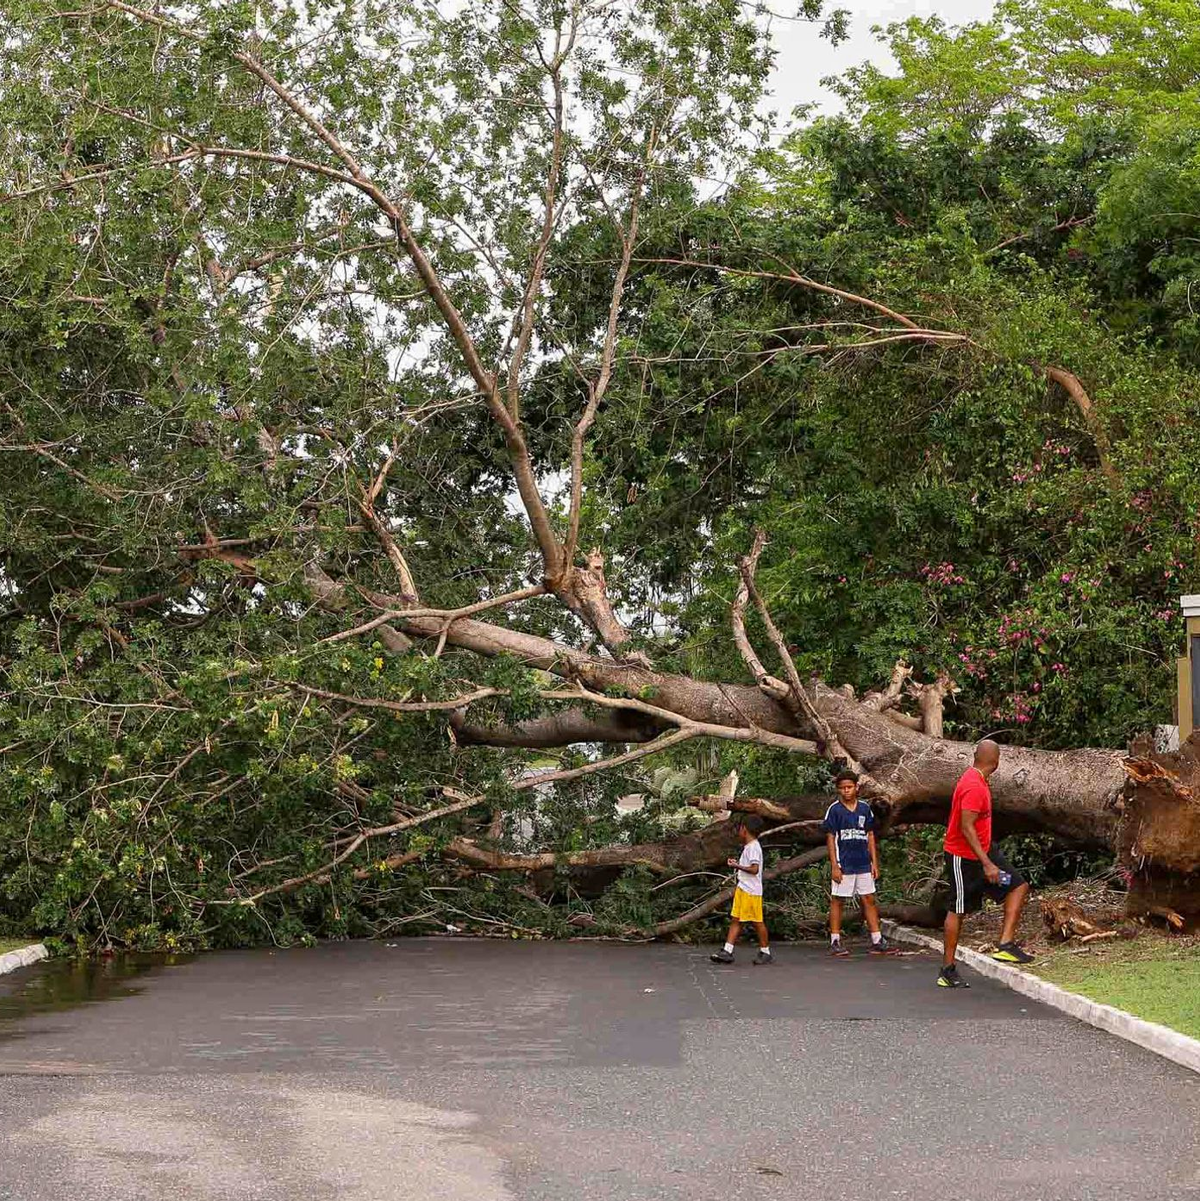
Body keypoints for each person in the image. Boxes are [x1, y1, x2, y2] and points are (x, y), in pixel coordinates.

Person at [938, 739, 1035, 989]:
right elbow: (965, 826)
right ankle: (947, 970)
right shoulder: (973, 785)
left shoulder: (979, 779)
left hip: (984, 852)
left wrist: (989, 858)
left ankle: (1005, 945)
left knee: (1017, 886)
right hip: (965, 858)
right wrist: (987, 865)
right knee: (958, 908)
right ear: (996, 761)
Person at [823, 771, 895, 956]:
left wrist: (874, 862)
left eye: (849, 787)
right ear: (838, 790)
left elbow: (870, 835)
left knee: (868, 899)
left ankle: (877, 939)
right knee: (839, 900)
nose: (846, 791)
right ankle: (835, 940)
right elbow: (830, 838)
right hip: (844, 863)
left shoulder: (864, 809)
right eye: (842, 788)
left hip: (863, 862)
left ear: (856, 787)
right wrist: (834, 866)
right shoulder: (835, 810)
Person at [710, 816, 771, 965]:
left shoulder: (754, 847)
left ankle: (765, 951)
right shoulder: (749, 847)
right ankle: (727, 950)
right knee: (736, 919)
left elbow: (754, 869)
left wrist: (737, 866)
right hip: (743, 888)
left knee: (757, 921)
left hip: (751, 891)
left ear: (744, 829)